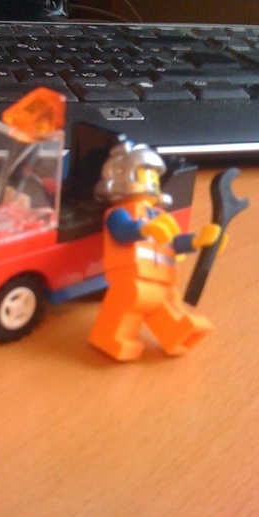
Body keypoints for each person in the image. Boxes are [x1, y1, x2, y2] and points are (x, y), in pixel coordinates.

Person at [89, 139, 222, 361]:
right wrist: (145, 229)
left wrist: (199, 241)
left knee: (168, 308)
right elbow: (122, 232)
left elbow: (174, 243)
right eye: (146, 175)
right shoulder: (120, 213)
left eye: (154, 177)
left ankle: (177, 335)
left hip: (163, 281)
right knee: (128, 307)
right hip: (132, 277)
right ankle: (110, 338)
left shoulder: (160, 216)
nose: (152, 183)